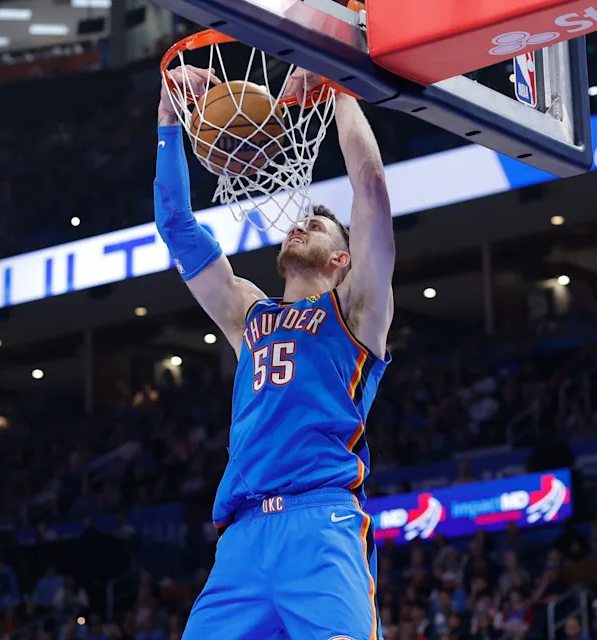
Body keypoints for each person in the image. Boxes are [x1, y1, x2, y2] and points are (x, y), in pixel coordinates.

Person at [156, 65, 394, 639]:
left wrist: (338, 83)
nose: (300, 224)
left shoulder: (357, 312)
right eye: (302, 221)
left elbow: (371, 189)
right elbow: (176, 226)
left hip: (320, 525)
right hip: (239, 542)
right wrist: (169, 118)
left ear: (343, 261)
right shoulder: (249, 315)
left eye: (317, 226)